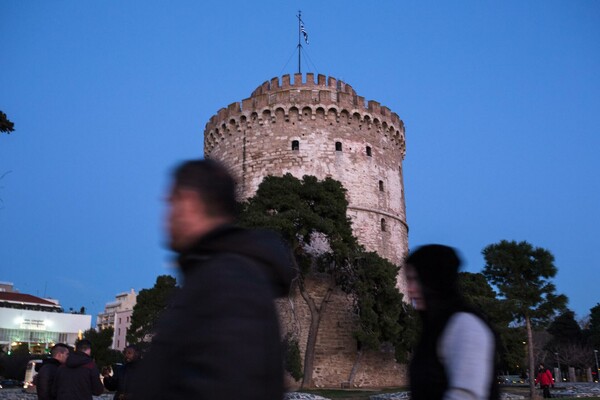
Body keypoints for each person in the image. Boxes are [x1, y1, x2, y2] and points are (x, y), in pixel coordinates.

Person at [132, 159, 294, 400]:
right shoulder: (211, 272)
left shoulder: (228, 280)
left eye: (170, 202)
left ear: (190, 202)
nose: (166, 214)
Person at [405, 244, 499, 400]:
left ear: (433, 279)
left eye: (415, 279)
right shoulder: (435, 329)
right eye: (408, 280)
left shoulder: (465, 326)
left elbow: (466, 395)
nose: (409, 289)